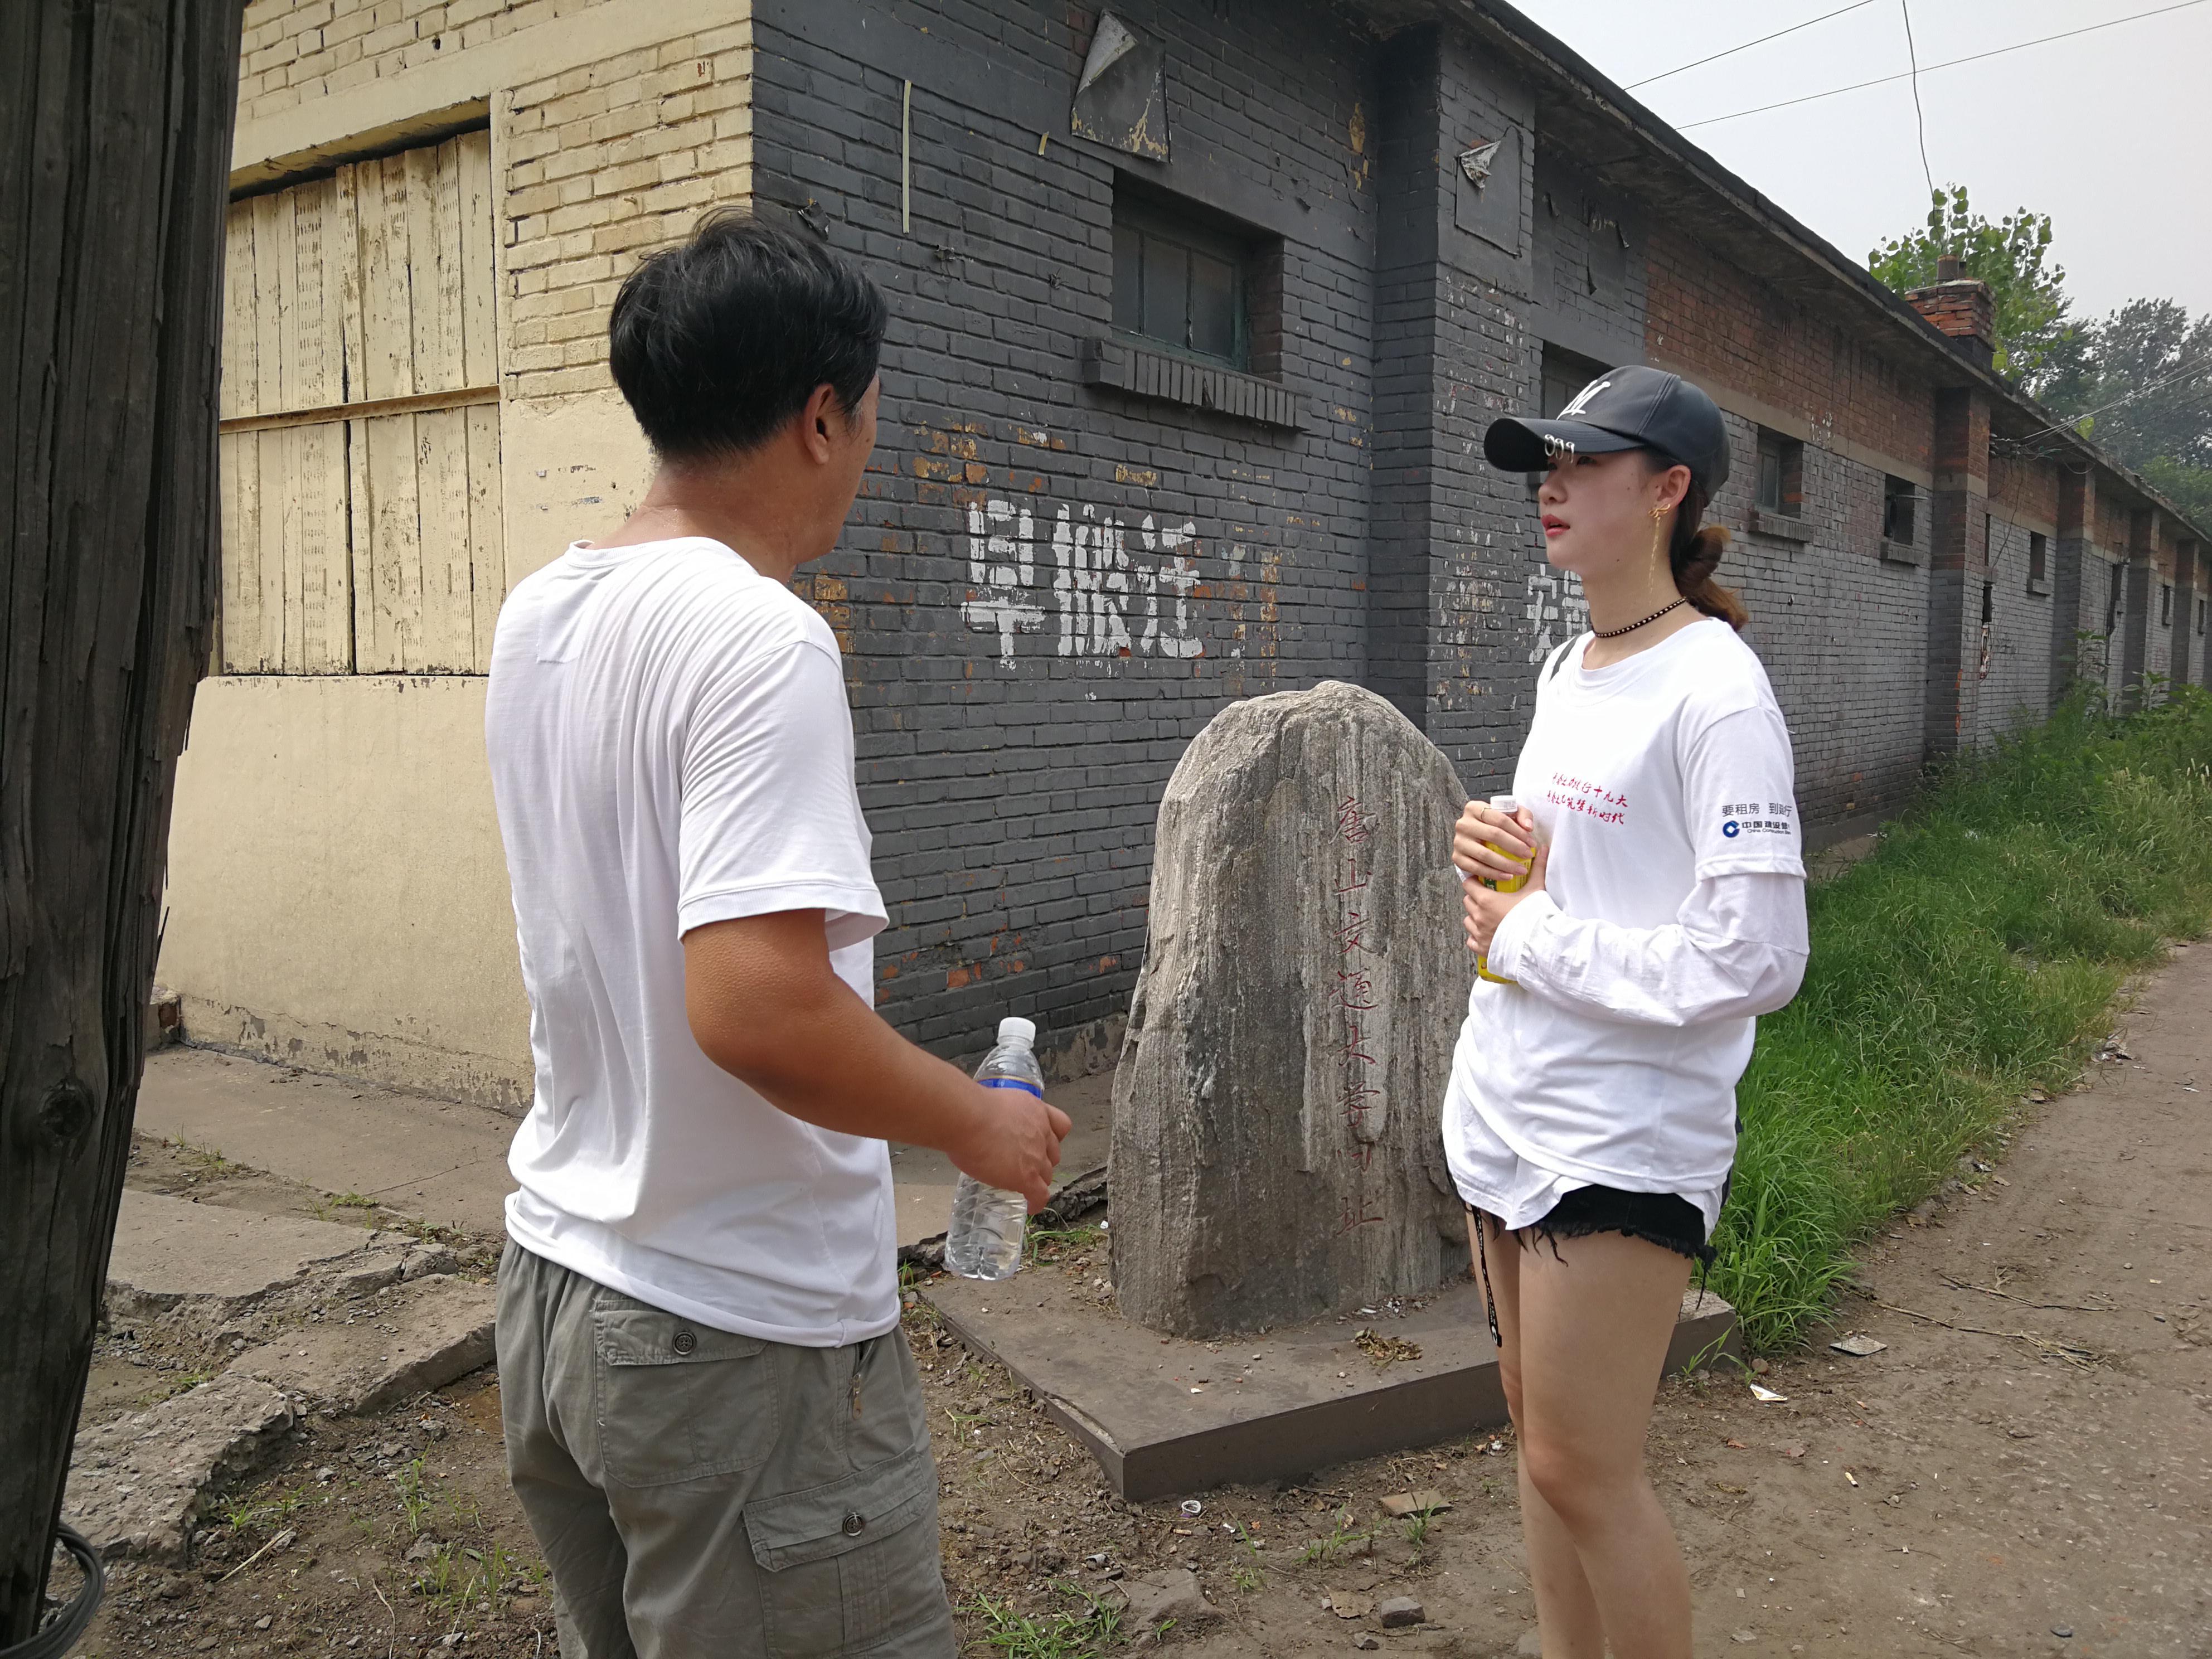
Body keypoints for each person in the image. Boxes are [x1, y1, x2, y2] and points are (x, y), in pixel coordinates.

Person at [483, 211, 1070, 1658]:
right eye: (867, 418)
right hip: (730, 1330)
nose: (865, 450)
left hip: (559, 1286)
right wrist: (976, 1126)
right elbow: (756, 1009)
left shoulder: (540, 615)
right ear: (821, 417)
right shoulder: (759, 636)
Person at [1445, 366, 1809, 1659]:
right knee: (1539, 1446)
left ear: (1667, 491)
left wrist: (1532, 933)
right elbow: (1592, 865)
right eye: (1545, 465)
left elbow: (1757, 955)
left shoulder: (1718, 691)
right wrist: (1498, 842)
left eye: (1582, 464)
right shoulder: (1572, 664)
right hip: (1510, 1106)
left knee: (1585, 1471)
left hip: (1623, 1135)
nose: (1550, 487)